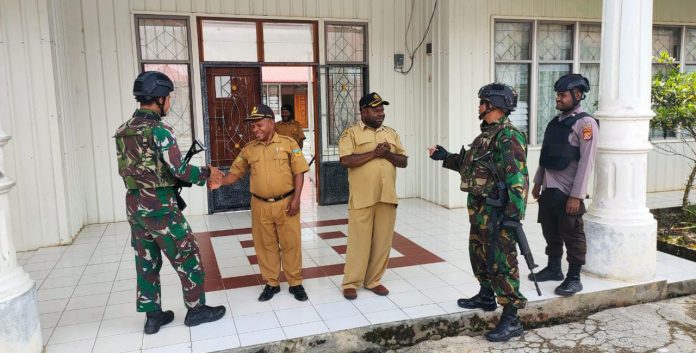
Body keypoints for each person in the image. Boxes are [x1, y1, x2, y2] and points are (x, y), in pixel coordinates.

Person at [114, 71, 226, 334]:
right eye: (169, 98)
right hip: (160, 205)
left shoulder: (123, 130)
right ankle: (196, 310)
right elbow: (179, 169)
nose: (170, 102)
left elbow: (138, 167)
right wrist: (206, 174)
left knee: (146, 259)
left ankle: (153, 316)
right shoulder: (160, 130)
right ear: (160, 98)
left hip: (134, 204)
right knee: (188, 254)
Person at [428, 83, 529, 342]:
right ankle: (486, 295)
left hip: (498, 213)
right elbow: (472, 167)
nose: (479, 106)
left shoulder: (507, 136)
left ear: (493, 105)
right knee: (480, 254)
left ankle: (512, 317)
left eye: (482, 101)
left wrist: (513, 215)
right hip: (482, 211)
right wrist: (445, 156)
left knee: (502, 262)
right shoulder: (487, 134)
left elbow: (518, 178)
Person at [212, 104, 310, 302]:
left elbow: (298, 172)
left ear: (271, 123)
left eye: (259, 125)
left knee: (291, 243)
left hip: (286, 203)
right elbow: (235, 173)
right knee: (265, 245)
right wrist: (220, 181)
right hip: (260, 205)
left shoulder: (289, 144)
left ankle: (295, 283)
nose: (255, 129)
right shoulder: (249, 150)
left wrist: (297, 199)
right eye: (253, 127)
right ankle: (272, 283)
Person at [531, 73, 599, 297]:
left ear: (577, 95)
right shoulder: (556, 121)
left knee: (572, 233)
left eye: (562, 95)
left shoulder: (586, 124)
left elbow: (587, 162)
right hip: (549, 188)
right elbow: (545, 156)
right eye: (557, 95)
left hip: (568, 191)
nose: (558, 99)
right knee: (550, 230)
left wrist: (577, 196)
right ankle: (553, 269)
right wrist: (538, 182)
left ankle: (574, 277)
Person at [339, 92, 408, 300]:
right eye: (376, 110)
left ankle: (373, 280)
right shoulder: (350, 133)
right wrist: (374, 153)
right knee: (358, 243)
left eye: (382, 109)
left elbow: (403, 161)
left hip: (386, 196)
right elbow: (346, 160)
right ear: (363, 111)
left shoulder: (392, 133)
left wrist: (387, 154)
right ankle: (351, 282)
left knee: (382, 242)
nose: (381, 113)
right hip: (362, 197)